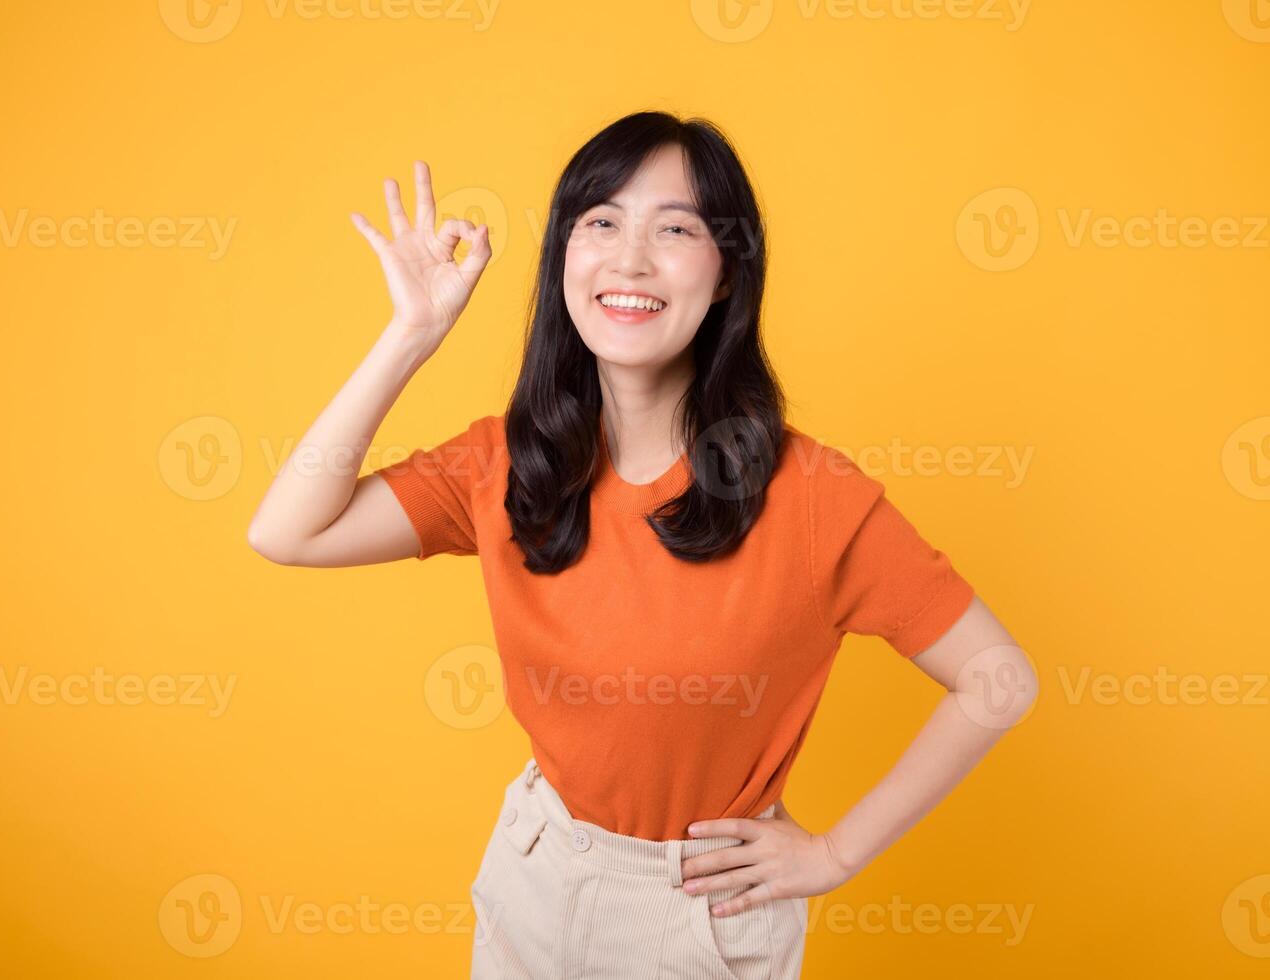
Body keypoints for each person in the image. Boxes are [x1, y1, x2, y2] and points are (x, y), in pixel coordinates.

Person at [247, 110, 1037, 979]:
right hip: (535, 873)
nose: (630, 259)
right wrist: (411, 336)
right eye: (601, 223)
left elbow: (998, 679)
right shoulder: (506, 463)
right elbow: (288, 531)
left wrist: (835, 856)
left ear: (727, 272)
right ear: (563, 260)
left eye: (675, 229)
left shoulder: (812, 496)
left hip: (700, 915)